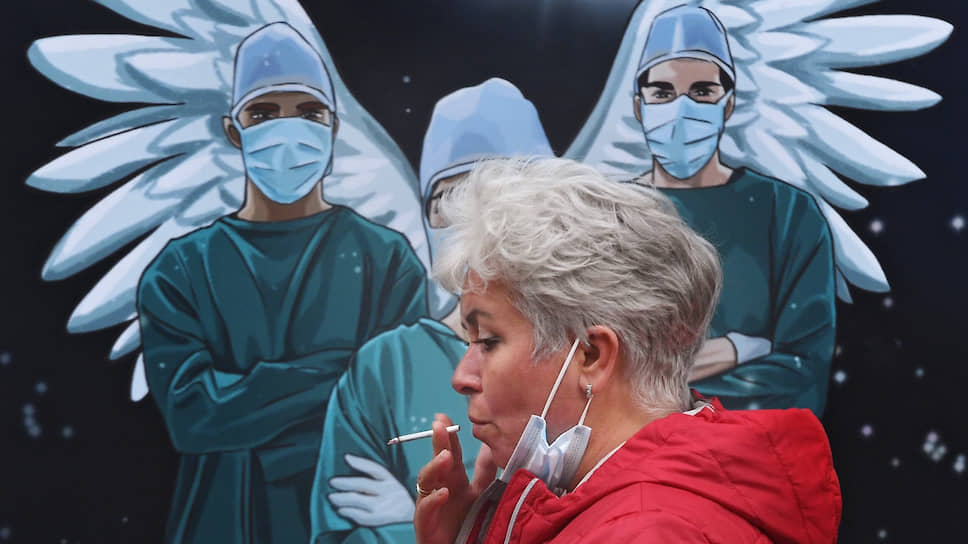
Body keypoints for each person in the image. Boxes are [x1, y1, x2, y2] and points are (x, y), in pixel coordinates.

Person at [413, 158, 841, 543]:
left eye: (488, 341)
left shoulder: (645, 532)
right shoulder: (666, 501)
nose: (462, 377)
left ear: (591, 356)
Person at [136, 23, 428, 543]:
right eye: (264, 113)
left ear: (333, 128)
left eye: (309, 113)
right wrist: (338, 372)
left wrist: (250, 400)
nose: (287, 131)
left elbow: (396, 410)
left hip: (348, 523)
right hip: (224, 524)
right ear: (234, 131)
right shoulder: (180, 270)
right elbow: (193, 418)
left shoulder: (386, 261)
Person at [309, 78, 554, 543]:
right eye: (446, 199)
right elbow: (338, 531)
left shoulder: (581, 357)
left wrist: (423, 518)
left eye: (489, 196)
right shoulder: (384, 369)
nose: (467, 220)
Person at [630, 6, 836, 415]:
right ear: (639, 106)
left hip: (748, 449)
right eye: (663, 93)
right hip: (633, 451)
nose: (681, 110)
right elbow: (591, 362)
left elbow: (802, 367)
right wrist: (742, 348)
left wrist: (661, 391)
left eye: (702, 92)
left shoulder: (788, 215)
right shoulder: (608, 215)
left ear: (727, 105)